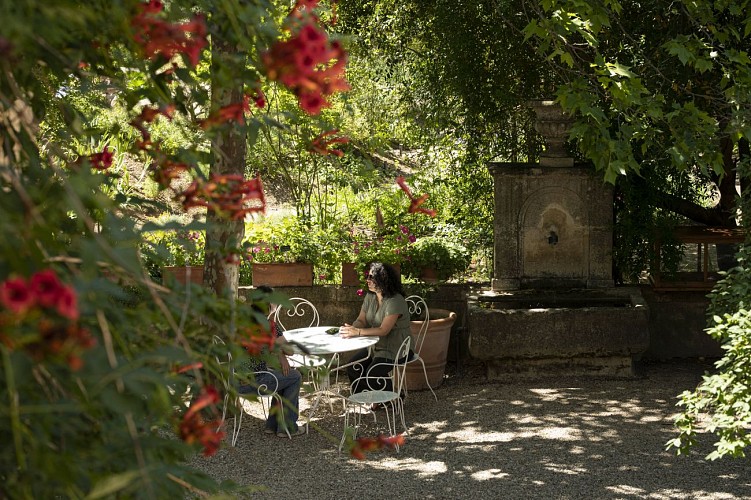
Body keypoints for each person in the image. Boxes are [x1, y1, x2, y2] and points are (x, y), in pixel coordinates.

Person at [237, 286, 304, 438]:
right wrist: (282, 354)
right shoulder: (268, 325)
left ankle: (273, 425)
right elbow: (290, 350)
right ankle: (288, 427)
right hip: (254, 382)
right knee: (294, 376)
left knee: (283, 375)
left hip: (234, 380)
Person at [340, 262, 412, 398]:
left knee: (372, 373)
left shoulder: (395, 301)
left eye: (371, 277)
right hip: (375, 346)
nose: (368, 280)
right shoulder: (370, 297)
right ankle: (365, 398)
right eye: (368, 277)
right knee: (353, 366)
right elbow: (362, 320)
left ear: (383, 279)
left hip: (397, 348)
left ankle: (393, 400)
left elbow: (383, 330)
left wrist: (358, 332)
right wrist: (352, 328)